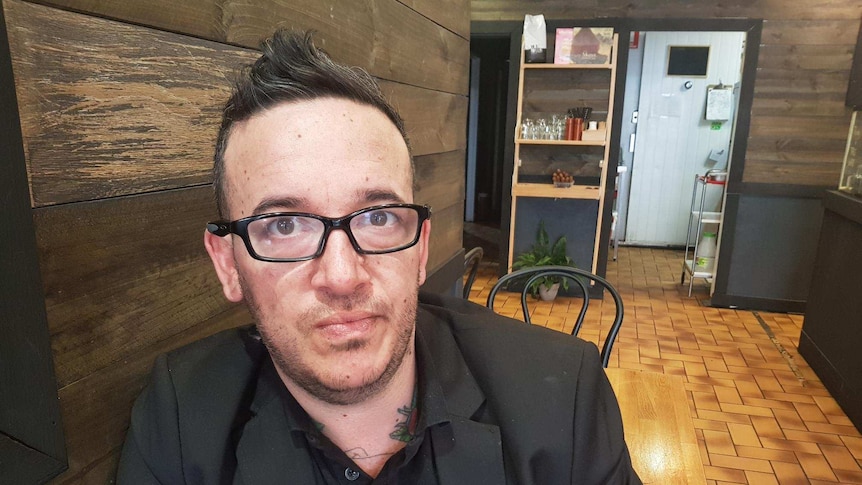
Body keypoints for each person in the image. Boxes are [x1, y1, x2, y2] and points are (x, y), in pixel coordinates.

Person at [118, 30, 641, 484]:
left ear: (420, 250)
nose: (342, 277)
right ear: (228, 264)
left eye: (377, 218)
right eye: (284, 225)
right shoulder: (181, 419)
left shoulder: (561, 398)